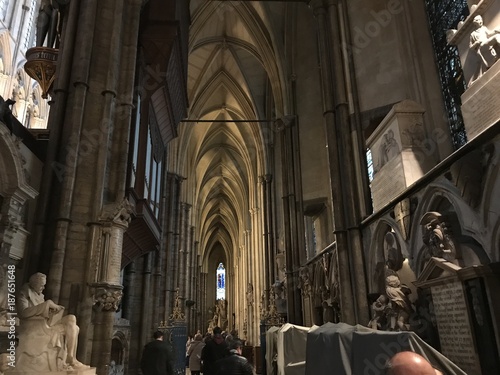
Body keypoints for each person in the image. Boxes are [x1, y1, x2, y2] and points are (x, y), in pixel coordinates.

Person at [17, 272, 87, 370]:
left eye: (44, 285)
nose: (43, 288)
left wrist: (51, 312)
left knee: (72, 319)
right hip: (34, 326)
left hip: (45, 322)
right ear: (34, 284)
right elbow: (23, 312)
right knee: (72, 327)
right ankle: (70, 359)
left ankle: (71, 357)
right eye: (41, 285)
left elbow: (41, 311)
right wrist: (47, 304)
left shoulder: (40, 296)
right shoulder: (24, 294)